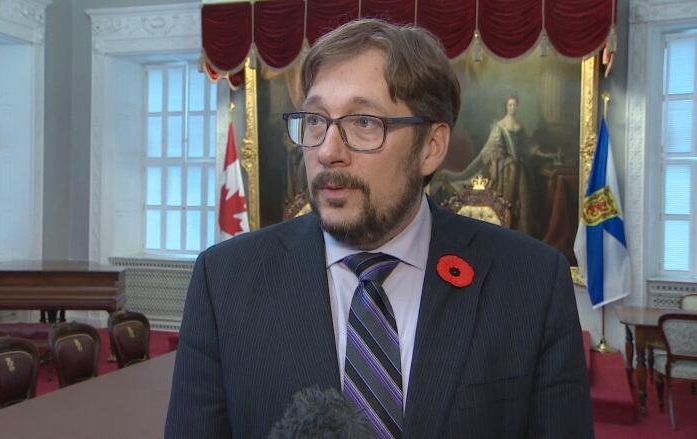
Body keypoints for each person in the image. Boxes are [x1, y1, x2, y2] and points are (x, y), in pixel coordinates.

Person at [165, 18, 593, 438]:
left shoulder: (531, 283)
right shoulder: (224, 281)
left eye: (364, 123)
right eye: (315, 121)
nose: (328, 151)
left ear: (431, 147)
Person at [439, 94, 552, 236]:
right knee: (506, 203)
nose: (513, 107)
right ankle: (504, 236)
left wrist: (546, 155)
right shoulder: (500, 126)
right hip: (506, 172)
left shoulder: (520, 126)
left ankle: (521, 237)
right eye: (510, 105)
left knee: (524, 204)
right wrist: (497, 166)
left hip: (521, 171)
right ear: (506, 106)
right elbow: (493, 150)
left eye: (515, 105)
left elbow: (528, 146)